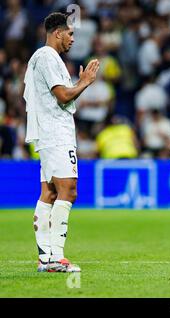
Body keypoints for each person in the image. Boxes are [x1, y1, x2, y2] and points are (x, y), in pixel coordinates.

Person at [23, 12, 100, 272]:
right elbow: (63, 96)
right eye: (70, 33)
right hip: (55, 134)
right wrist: (85, 82)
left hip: (48, 134)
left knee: (50, 192)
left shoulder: (41, 58)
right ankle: (56, 257)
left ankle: (46, 258)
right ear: (57, 33)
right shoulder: (47, 57)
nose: (73, 39)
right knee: (69, 190)